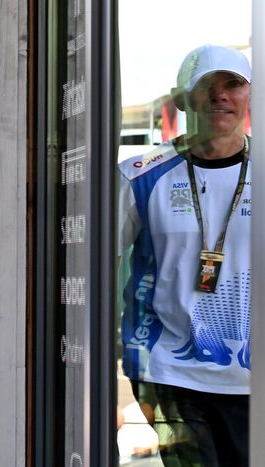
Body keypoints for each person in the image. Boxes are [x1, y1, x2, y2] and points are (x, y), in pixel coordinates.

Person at [118, 44, 251, 466]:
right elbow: (91, 269)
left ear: (249, 95)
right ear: (181, 100)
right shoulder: (140, 175)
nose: (220, 95)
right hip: (168, 371)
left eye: (233, 84)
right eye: (206, 85)